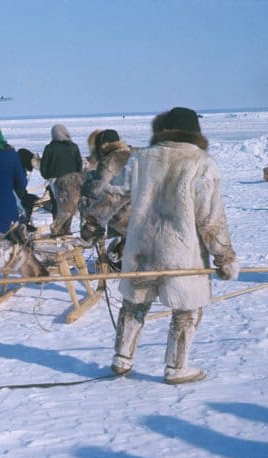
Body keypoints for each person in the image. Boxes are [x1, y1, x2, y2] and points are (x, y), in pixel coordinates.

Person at [80, 107, 239, 384]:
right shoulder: (201, 162)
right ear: (194, 132)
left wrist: (94, 222)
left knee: (134, 304)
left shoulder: (141, 158)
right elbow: (210, 218)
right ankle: (177, 369)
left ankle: (122, 359)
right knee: (187, 308)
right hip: (181, 252)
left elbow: (113, 194)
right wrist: (223, 256)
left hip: (142, 248)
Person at [81, 129, 133, 270]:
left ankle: (109, 261)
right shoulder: (135, 156)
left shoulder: (109, 160)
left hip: (121, 214)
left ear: (102, 146)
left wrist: (86, 185)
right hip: (144, 211)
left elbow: (98, 189)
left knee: (98, 217)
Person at [40, 124, 84, 236]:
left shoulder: (49, 148)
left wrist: (48, 176)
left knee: (57, 205)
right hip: (73, 181)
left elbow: (43, 168)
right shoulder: (74, 147)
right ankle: (67, 230)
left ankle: (57, 230)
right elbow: (79, 165)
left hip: (55, 182)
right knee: (70, 205)